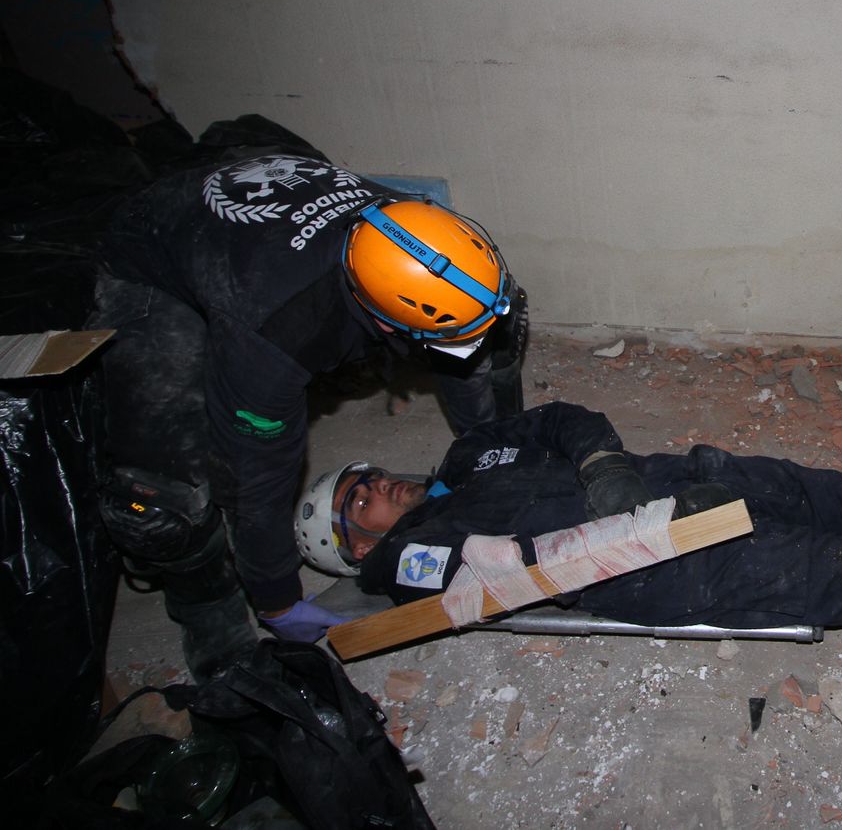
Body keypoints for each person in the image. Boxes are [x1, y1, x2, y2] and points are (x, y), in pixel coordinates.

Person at [90, 151, 529, 678]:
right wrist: (275, 597)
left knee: (495, 330)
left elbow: (464, 347)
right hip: (155, 254)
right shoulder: (275, 339)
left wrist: (493, 455)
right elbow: (258, 480)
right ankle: (208, 614)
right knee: (164, 491)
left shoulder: (418, 236)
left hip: (266, 225)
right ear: (385, 323)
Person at [294, 401, 842, 629]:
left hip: (688, 478)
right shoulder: (416, 560)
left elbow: (561, 420)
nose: (379, 486)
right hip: (656, 564)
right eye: (358, 501)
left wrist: (603, 465)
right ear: (356, 541)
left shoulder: (462, 456)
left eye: (365, 475)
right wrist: (621, 524)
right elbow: (509, 575)